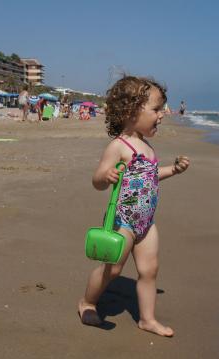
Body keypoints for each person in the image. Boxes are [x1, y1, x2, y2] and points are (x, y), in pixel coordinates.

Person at [78, 76, 190, 337]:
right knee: (113, 268)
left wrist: (172, 169)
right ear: (131, 111)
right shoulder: (119, 146)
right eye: (156, 109)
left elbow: (149, 176)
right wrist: (105, 177)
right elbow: (97, 180)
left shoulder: (147, 147)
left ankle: (147, 319)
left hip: (146, 221)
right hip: (123, 219)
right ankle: (87, 302)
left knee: (150, 270)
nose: (162, 115)